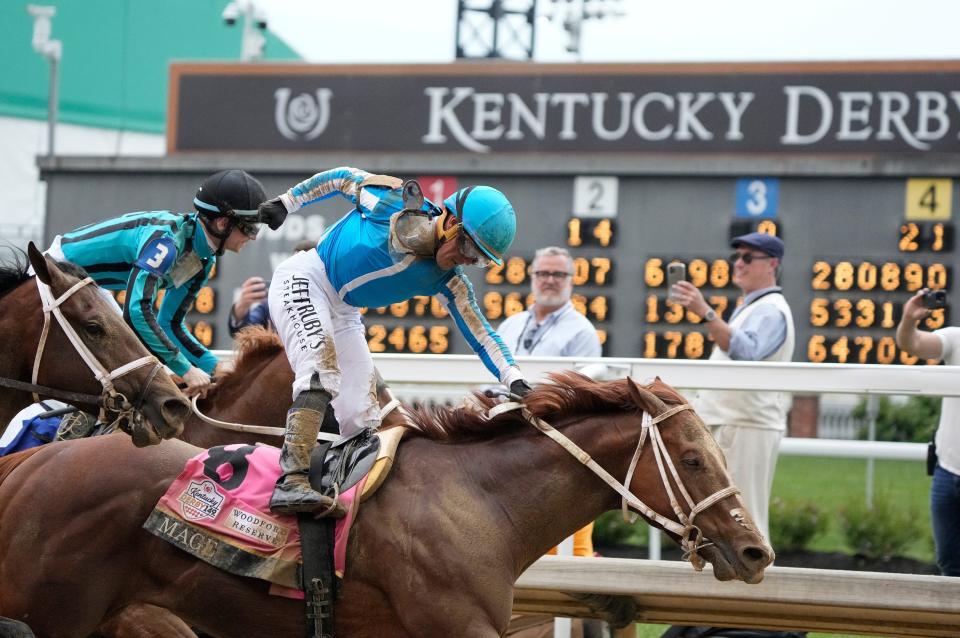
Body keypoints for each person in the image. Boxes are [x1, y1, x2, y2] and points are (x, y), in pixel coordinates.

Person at [256, 168, 532, 514]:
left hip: (344, 310)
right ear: (450, 221)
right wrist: (288, 201)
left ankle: (347, 495)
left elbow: (482, 334)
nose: (465, 259)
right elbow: (341, 177)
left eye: (476, 259)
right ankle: (290, 481)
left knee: (362, 414)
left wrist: (515, 378)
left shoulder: (450, 282)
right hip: (306, 277)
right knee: (320, 372)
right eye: (466, 246)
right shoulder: (391, 200)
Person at [46, 169, 269, 397]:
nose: (253, 236)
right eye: (249, 227)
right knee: (120, 356)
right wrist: (186, 369)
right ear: (223, 223)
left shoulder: (204, 260)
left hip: (88, 285)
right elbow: (136, 310)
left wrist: (215, 367)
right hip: (56, 272)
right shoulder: (167, 243)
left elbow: (169, 323)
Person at [671, 232, 795, 541]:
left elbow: (746, 352)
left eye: (748, 258)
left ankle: (755, 587)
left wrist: (705, 312)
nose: (739, 263)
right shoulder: (754, 307)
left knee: (745, 516)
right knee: (730, 516)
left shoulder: (770, 309)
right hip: (735, 422)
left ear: (773, 264)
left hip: (746, 423)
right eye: (736, 257)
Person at [896, 289, 960, 577]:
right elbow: (913, 344)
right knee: (949, 564)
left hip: (947, 475)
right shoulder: (956, 338)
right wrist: (909, 319)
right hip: (948, 473)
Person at [497, 246, 602, 358]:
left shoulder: (583, 333)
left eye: (558, 275)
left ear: (571, 282)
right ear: (532, 278)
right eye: (543, 274)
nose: (550, 281)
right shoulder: (509, 325)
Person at [227, 239, 318, 337]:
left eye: (304, 266)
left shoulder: (333, 301)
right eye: (294, 266)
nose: (297, 272)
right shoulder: (272, 304)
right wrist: (242, 305)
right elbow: (245, 333)